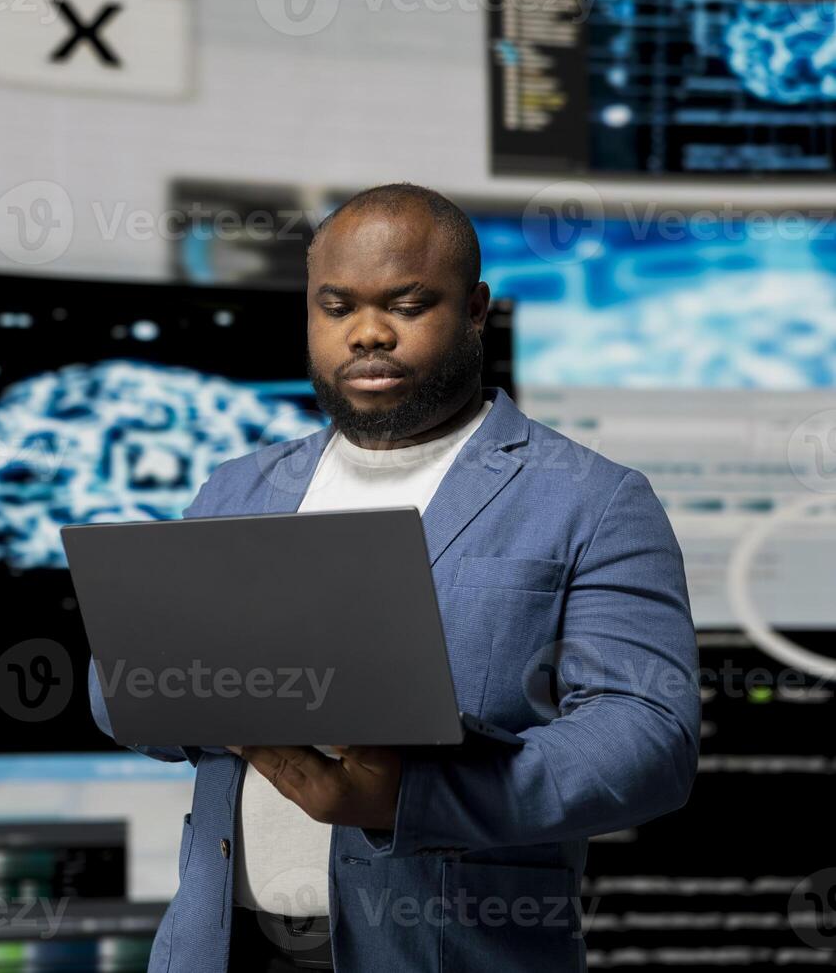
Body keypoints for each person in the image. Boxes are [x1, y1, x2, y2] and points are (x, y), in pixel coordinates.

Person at [87, 183, 701, 972]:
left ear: (475, 310)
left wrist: (410, 799)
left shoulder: (594, 497)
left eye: (407, 306)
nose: (368, 332)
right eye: (336, 307)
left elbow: (647, 737)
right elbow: (119, 692)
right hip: (220, 950)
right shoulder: (237, 487)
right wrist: (209, 694)